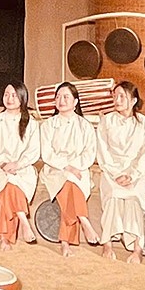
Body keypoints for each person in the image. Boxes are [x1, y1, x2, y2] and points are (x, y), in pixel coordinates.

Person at [96, 81, 145, 264]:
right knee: (114, 195)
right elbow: (103, 152)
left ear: (133, 100)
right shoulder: (106, 121)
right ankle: (107, 244)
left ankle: (137, 248)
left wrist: (133, 175)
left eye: (122, 96)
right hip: (111, 171)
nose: (117, 100)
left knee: (134, 197)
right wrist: (116, 174)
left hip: (136, 173)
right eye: (115, 96)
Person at [39, 81, 100, 257]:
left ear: (75, 102)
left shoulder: (85, 126)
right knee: (66, 180)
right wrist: (66, 166)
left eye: (66, 97)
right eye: (58, 97)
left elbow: (89, 153)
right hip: (54, 169)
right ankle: (83, 219)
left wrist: (74, 166)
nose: (61, 100)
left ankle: (65, 242)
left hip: (79, 168)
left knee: (72, 181)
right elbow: (47, 153)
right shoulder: (48, 125)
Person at [0, 82, 41, 251]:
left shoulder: (30, 123)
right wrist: (2, 163)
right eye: (6, 94)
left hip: (22, 168)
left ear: (22, 97)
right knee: (8, 183)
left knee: (12, 185)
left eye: (14, 95)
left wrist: (17, 164)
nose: (9, 98)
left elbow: (33, 150)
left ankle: (5, 239)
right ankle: (23, 220)